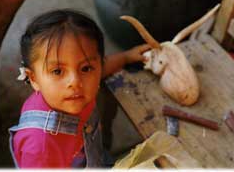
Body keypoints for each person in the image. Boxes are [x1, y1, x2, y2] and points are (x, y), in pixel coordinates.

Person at [8, 9, 150, 168]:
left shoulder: (73, 91)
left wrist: (126, 57)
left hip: (92, 156)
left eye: (85, 68)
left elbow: (102, 67)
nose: (75, 82)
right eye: (57, 71)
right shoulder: (40, 148)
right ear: (33, 78)